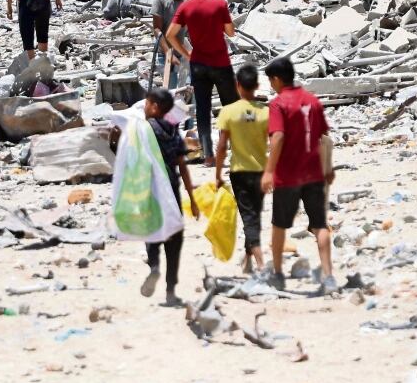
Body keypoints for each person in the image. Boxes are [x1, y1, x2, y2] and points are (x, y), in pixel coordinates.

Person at [261, 57, 336, 295]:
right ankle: (328, 275)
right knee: (320, 225)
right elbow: (324, 137)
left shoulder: (278, 104)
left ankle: (278, 275)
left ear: (277, 79)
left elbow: (278, 137)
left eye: (271, 81)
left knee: (279, 226)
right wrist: (329, 168)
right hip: (313, 172)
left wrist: (269, 170)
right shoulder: (312, 100)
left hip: (288, 175)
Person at [165, 0, 238, 161]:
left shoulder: (186, 5)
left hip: (198, 64)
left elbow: (170, 34)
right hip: (220, 63)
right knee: (230, 107)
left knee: (203, 110)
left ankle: (208, 154)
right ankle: (229, 148)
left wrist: (186, 53)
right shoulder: (220, 4)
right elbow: (231, 32)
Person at [140, 87, 200, 307]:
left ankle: (154, 266)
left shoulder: (145, 129)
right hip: (172, 188)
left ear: (155, 106)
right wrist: (192, 199)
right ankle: (170, 290)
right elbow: (182, 165)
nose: (145, 107)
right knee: (175, 238)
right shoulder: (173, 130)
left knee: (153, 232)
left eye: (147, 103)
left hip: (151, 188)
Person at [213, 64, 269, 273]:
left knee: (249, 217)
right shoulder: (265, 113)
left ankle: (261, 264)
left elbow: (221, 147)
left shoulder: (228, 112)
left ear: (237, 86)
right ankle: (248, 263)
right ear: (256, 86)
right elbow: (275, 142)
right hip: (261, 172)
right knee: (254, 216)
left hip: (239, 172)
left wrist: (217, 174)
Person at [152, 0, 188, 88]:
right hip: (165, 55)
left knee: (188, 89)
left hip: (182, 54)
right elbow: (157, 30)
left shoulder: (186, 2)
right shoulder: (161, 1)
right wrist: (168, 53)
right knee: (171, 91)